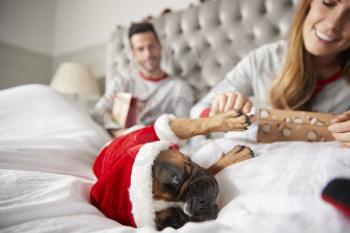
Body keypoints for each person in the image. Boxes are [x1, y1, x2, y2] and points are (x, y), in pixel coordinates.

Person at [191, 0, 350, 146]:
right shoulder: (264, 58)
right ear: (309, 3)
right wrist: (216, 113)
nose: (332, 25)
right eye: (329, 3)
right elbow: (197, 111)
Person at [92, 22, 194, 137]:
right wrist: (119, 132)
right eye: (141, 49)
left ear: (160, 46)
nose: (148, 54)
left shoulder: (179, 87)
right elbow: (97, 114)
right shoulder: (121, 83)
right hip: (122, 141)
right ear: (133, 53)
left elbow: (185, 129)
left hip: (159, 143)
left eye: (151, 46)